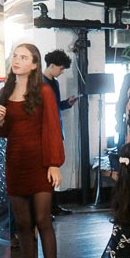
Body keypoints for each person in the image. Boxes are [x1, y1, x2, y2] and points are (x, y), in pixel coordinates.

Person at [0, 43, 66, 258]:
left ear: (35, 64)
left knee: (43, 221)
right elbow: (0, 132)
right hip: (15, 163)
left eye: (24, 57)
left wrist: (54, 163)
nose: (17, 60)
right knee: (22, 225)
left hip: (40, 164)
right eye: (15, 56)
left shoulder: (43, 91)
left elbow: (53, 128)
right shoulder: (5, 91)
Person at [42, 48, 79, 215]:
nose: (62, 71)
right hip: (47, 132)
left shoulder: (53, 83)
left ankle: (53, 206)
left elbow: (55, 106)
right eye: (61, 68)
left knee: (55, 168)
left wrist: (67, 103)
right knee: (48, 170)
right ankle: (47, 207)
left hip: (57, 129)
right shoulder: (41, 84)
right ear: (51, 66)